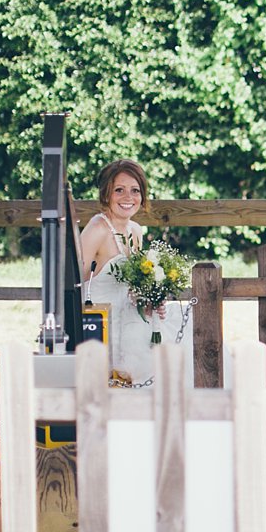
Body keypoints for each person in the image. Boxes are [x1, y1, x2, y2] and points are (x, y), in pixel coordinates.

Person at [80, 159, 191, 385]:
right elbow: (73, 283)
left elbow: (132, 288)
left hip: (130, 314)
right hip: (103, 323)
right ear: (106, 194)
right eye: (119, 190)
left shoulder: (135, 231)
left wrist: (150, 300)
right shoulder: (97, 229)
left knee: (186, 325)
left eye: (135, 190)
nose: (128, 197)